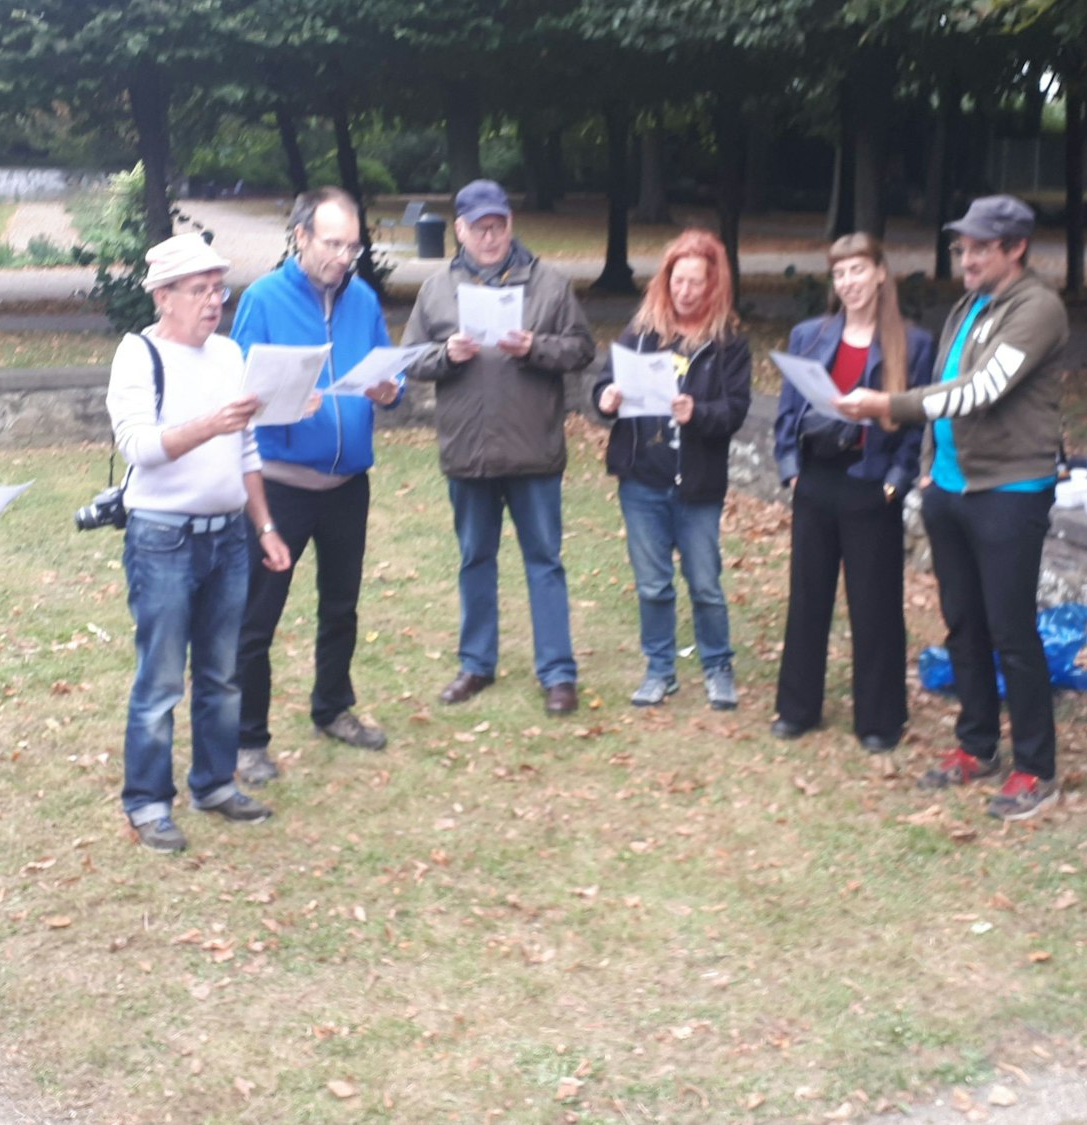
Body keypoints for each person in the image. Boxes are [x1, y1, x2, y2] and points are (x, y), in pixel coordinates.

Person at [840, 194, 1070, 821]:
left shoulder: (1038, 308)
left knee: (1011, 630)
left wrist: (890, 405)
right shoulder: (969, 306)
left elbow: (981, 390)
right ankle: (977, 746)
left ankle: (1035, 767)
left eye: (978, 247)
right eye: (962, 246)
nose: (965, 258)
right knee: (963, 624)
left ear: (1015, 248)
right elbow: (948, 382)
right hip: (950, 489)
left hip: (1009, 493)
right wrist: (925, 474)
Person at [108, 234, 291, 853]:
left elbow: (246, 449)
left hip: (229, 539)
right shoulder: (137, 355)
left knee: (222, 672)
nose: (215, 301)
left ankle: (214, 783)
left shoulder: (229, 354)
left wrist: (264, 526)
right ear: (163, 297)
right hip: (162, 538)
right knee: (161, 680)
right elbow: (140, 448)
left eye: (220, 289)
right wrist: (212, 422)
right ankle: (148, 803)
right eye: (200, 290)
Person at [402, 180, 598, 715]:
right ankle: (476, 664)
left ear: (510, 224)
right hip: (469, 449)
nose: (490, 236)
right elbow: (410, 358)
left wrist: (537, 347)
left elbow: (582, 349)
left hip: (533, 448)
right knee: (475, 560)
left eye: (499, 225)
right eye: (479, 227)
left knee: (544, 561)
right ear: (459, 230)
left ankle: (558, 673)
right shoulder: (436, 290)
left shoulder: (550, 283)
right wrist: (446, 354)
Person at [228, 188, 402, 783]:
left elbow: (386, 369)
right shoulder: (264, 299)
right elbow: (241, 395)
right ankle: (247, 739)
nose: (344, 256)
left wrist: (389, 389)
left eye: (353, 245)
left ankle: (332, 707)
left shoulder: (364, 300)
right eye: (333, 244)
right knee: (258, 616)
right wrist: (281, 404)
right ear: (300, 236)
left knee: (342, 604)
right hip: (281, 486)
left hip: (348, 483)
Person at [770, 233, 933, 751]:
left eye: (858, 271)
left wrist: (896, 482)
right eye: (839, 274)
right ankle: (798, 708)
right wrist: (791, 469)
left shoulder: (913, 342)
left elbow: (916, 425)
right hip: (816, 477)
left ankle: (880, 720)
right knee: (808, 597)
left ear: (881, 273)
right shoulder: (809, 335)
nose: (848, 283)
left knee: (875, 605)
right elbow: (787, 410)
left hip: (871, 483)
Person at [592, 229, 753, 710]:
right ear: (666, 280)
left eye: (695, 283)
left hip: (697, 484)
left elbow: (737, 411)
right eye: (678, 280)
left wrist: (697, 412)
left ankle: (717, 667)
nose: (685, 291)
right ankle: (660, 669)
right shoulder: (641, 333)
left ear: (713, 285)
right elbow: (604, 386)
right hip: (643, 479)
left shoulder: (728, 344)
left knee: (704, 583)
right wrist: (606, 398)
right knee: (652, 583)